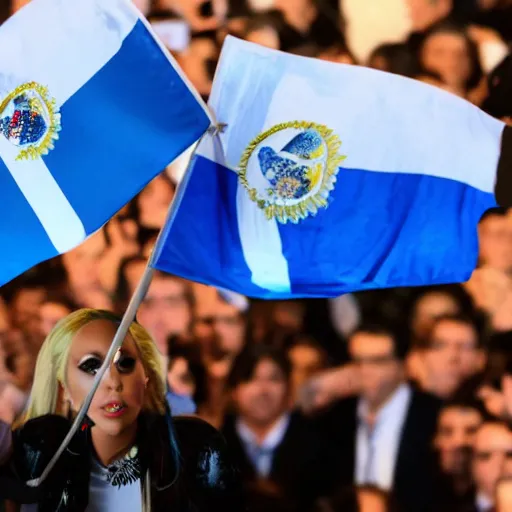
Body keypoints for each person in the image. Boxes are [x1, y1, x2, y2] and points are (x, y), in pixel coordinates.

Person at [0, 309, 243, 511]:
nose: (113, 381)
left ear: (146, 376)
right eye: (92, 366)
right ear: (63, 386)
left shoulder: (193, 447)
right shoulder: (33, 452)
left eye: (125, 363)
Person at [317, 324, 441, 512]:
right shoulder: (334, 417)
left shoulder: (432, 415)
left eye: (377, 362)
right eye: (357, 362)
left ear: (402, 365)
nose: (364, 371)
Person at [221, 344, 331, 512]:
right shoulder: (215, 447)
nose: (263, 390)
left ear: (289, 388)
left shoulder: (321, 449)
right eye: (251, 379)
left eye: (274, 379)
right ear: (234, 390)